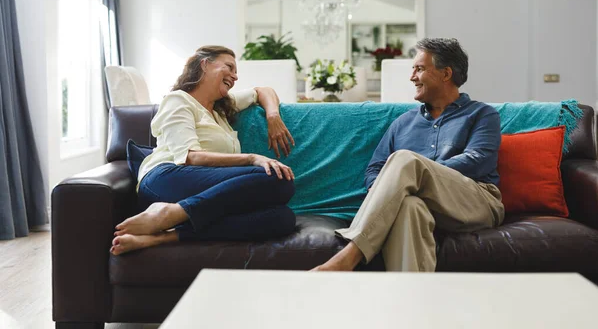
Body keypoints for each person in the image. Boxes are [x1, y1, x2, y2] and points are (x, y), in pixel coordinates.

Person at [312, 38, 505, 272]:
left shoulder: (482, 114)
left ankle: (349, 255)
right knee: (409, 207)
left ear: (446, 74)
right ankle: (411, 299)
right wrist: (386, 188)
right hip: (422, 203)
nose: (412, 76)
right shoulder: (403, 123)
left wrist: (419, 172)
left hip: (475, 201)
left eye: (420, 69)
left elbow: (478, 160)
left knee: (406, 161)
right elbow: (375, 168)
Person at [111, 45, 297, 255]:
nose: (235, 77)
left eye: (236, 72)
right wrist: (252, 158)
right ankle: (171, 212)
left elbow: (263, 91)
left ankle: (165, 234)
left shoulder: (221, 109)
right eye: (229, 67)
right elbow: (190, 157)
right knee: (280, 179)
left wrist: (273, 117)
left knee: (282, 218)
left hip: (203, 190)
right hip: (166, 178)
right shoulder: (178, 100)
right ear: (205, 64)